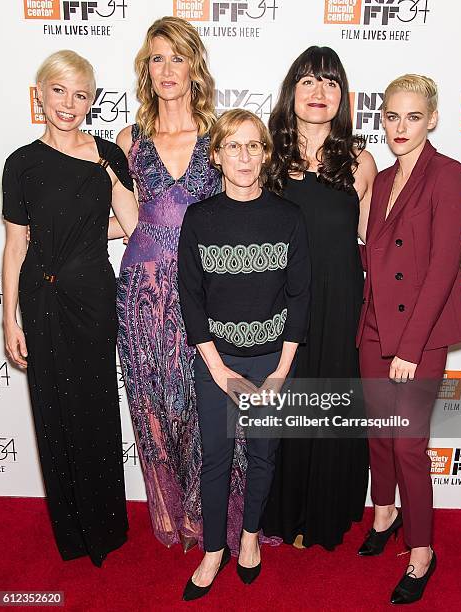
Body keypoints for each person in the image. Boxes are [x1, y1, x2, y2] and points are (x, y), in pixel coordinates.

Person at [115, 17, 247, 552]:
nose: (166, 69)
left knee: (205, 404)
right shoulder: (129, 139)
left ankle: (214, 516)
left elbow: (241, 209)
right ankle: (174, 515)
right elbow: (127, 218)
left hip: (204, 290)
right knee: (153, 405)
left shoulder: (218, 136)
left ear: (195, 65)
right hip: (142, 290)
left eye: (177, 57)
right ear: (146, 68)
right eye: (156, 58)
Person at [2, 50, 138, 566]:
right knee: (53, 412)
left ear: (91, 101)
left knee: (97, 409)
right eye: (59, 91)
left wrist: (105, 170)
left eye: (81, 94)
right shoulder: (20, 164)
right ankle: (72, 533)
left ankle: (103, 529)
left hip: (93, 296)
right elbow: (14, 246)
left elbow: (132, 223)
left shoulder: (106, 154)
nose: (69, 104)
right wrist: (8, 316)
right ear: (40, 92)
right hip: (40, 299)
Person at [178, 109, 311, 600]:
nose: (244, 156)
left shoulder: (287, 217)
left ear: (265, 153)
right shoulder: (200, 218)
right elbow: (190, 297)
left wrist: (280, 372)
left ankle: (250, 535)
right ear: (216, 156)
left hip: (271, 362)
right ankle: (214, 548)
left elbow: (300, 296)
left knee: (262, 455)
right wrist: (218, 370)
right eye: (233, 145)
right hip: (215, 362)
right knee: (215, 456)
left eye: (253, 145)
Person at [356, 74, 461, 604]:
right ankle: (384, 514)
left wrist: (409, 346)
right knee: (379, 435)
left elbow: (444, 267)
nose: (400, 127)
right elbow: (375, 255)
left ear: (433, 119)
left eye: (412, 117)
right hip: (375, 326)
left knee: (408, 445)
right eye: (391, 116)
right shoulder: (380, 180)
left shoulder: (449, 176)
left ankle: (422, 550)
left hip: (418, 337)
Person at [262, 46, 377, 550]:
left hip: (340, 301)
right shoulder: (265, 155)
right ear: (292, 90)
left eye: (330, 83)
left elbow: (371, 243)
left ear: (342, 97)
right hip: (281, 302)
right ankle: (283, 511)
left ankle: (325, 511)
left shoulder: (360, 161)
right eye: (308, 81)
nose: (319, 93)